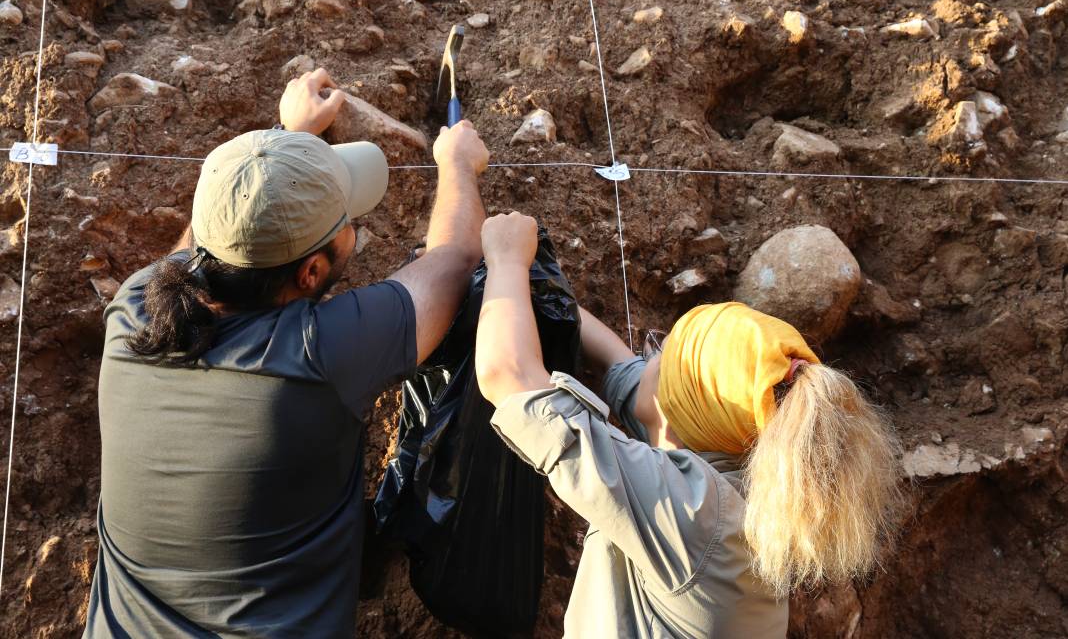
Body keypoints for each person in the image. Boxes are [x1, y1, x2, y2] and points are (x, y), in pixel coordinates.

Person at [83, 68, 490, 637]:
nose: (351, 226)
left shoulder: (135, 312)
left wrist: (280, 144)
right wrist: (456, 165)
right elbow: (453, 261)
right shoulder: (317, 357)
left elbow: (202, 242)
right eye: (345, 222)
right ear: (312, 272)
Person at [475, 212, 906, 638]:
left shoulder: (695, 513)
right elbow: (620, 365)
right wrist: (535, 284)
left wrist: (506, 260)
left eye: (664, 354)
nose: (650, 355)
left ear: (682, 408)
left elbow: (506, 375)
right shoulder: (750, 475)